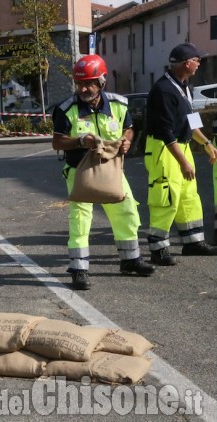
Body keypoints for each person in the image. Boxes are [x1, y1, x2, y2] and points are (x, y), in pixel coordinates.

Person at [52, 54, 156, 290]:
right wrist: (80, 141)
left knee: (127, 210)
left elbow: (129, 128)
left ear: (102, 81)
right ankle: (79, 269)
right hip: (80, 170)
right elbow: (57, 142)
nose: (84, 88)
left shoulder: (119, 105)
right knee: (80, 218)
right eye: (79, 83)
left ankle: (130, 260)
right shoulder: (66, 109)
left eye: (89, 83)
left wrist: (126, 142)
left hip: (112, 168)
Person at [144, 43, 217, 265]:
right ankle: (158, 249)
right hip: (164, 149)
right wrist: (183, 161)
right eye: (198, 60)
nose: (199, 64)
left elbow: (191, 120)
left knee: (188, 196)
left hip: (180, 145)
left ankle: (193, 242)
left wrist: (206, 143)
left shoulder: (183, 86)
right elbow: (166, 131)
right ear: (187, 63)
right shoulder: (163, 91)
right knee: (166, 198)